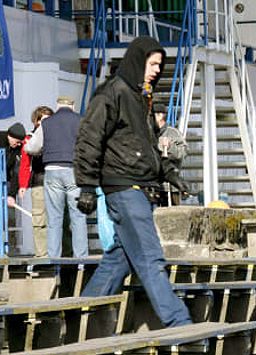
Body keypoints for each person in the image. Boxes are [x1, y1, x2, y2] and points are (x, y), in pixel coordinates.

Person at [74, 36, 192, 327]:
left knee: (119, 259)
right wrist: (87, 186)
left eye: (160, 65)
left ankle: (81, 319)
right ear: (138, 60)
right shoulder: (112, 93)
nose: (156, 70)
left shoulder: (142, 97)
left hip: (140, 186)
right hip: (124, 187)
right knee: (151, 258)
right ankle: (179, 323)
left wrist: (169, 173)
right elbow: (89, 138)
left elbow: (149, 144)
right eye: (152, 64)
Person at [26, 96, 88, 258]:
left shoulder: (46, 123)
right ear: (73, 106)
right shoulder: (81, 120)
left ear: (58, 106)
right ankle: (81, 258)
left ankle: (54, 258)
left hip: (52, 170)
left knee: (54, 218)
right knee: (78, 217)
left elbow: (31, 147)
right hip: (74, 170)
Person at [19, 106, 54, 257]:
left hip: (55, 181)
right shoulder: (29, 138)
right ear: (36, 121)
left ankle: (62, 251)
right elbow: (25, 164)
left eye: (49, 119)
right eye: (43, 119)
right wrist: (22, 185)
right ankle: (41, 252)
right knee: (39, 218)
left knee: (58, 217)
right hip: (39, 180)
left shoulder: (57, 135)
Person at [152, 102, 188, 205]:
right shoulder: (149, 133)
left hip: (171, 188)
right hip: (153, 186)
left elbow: (183, 153)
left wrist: (170, 147)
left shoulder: (173, 133)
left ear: (160, 115)